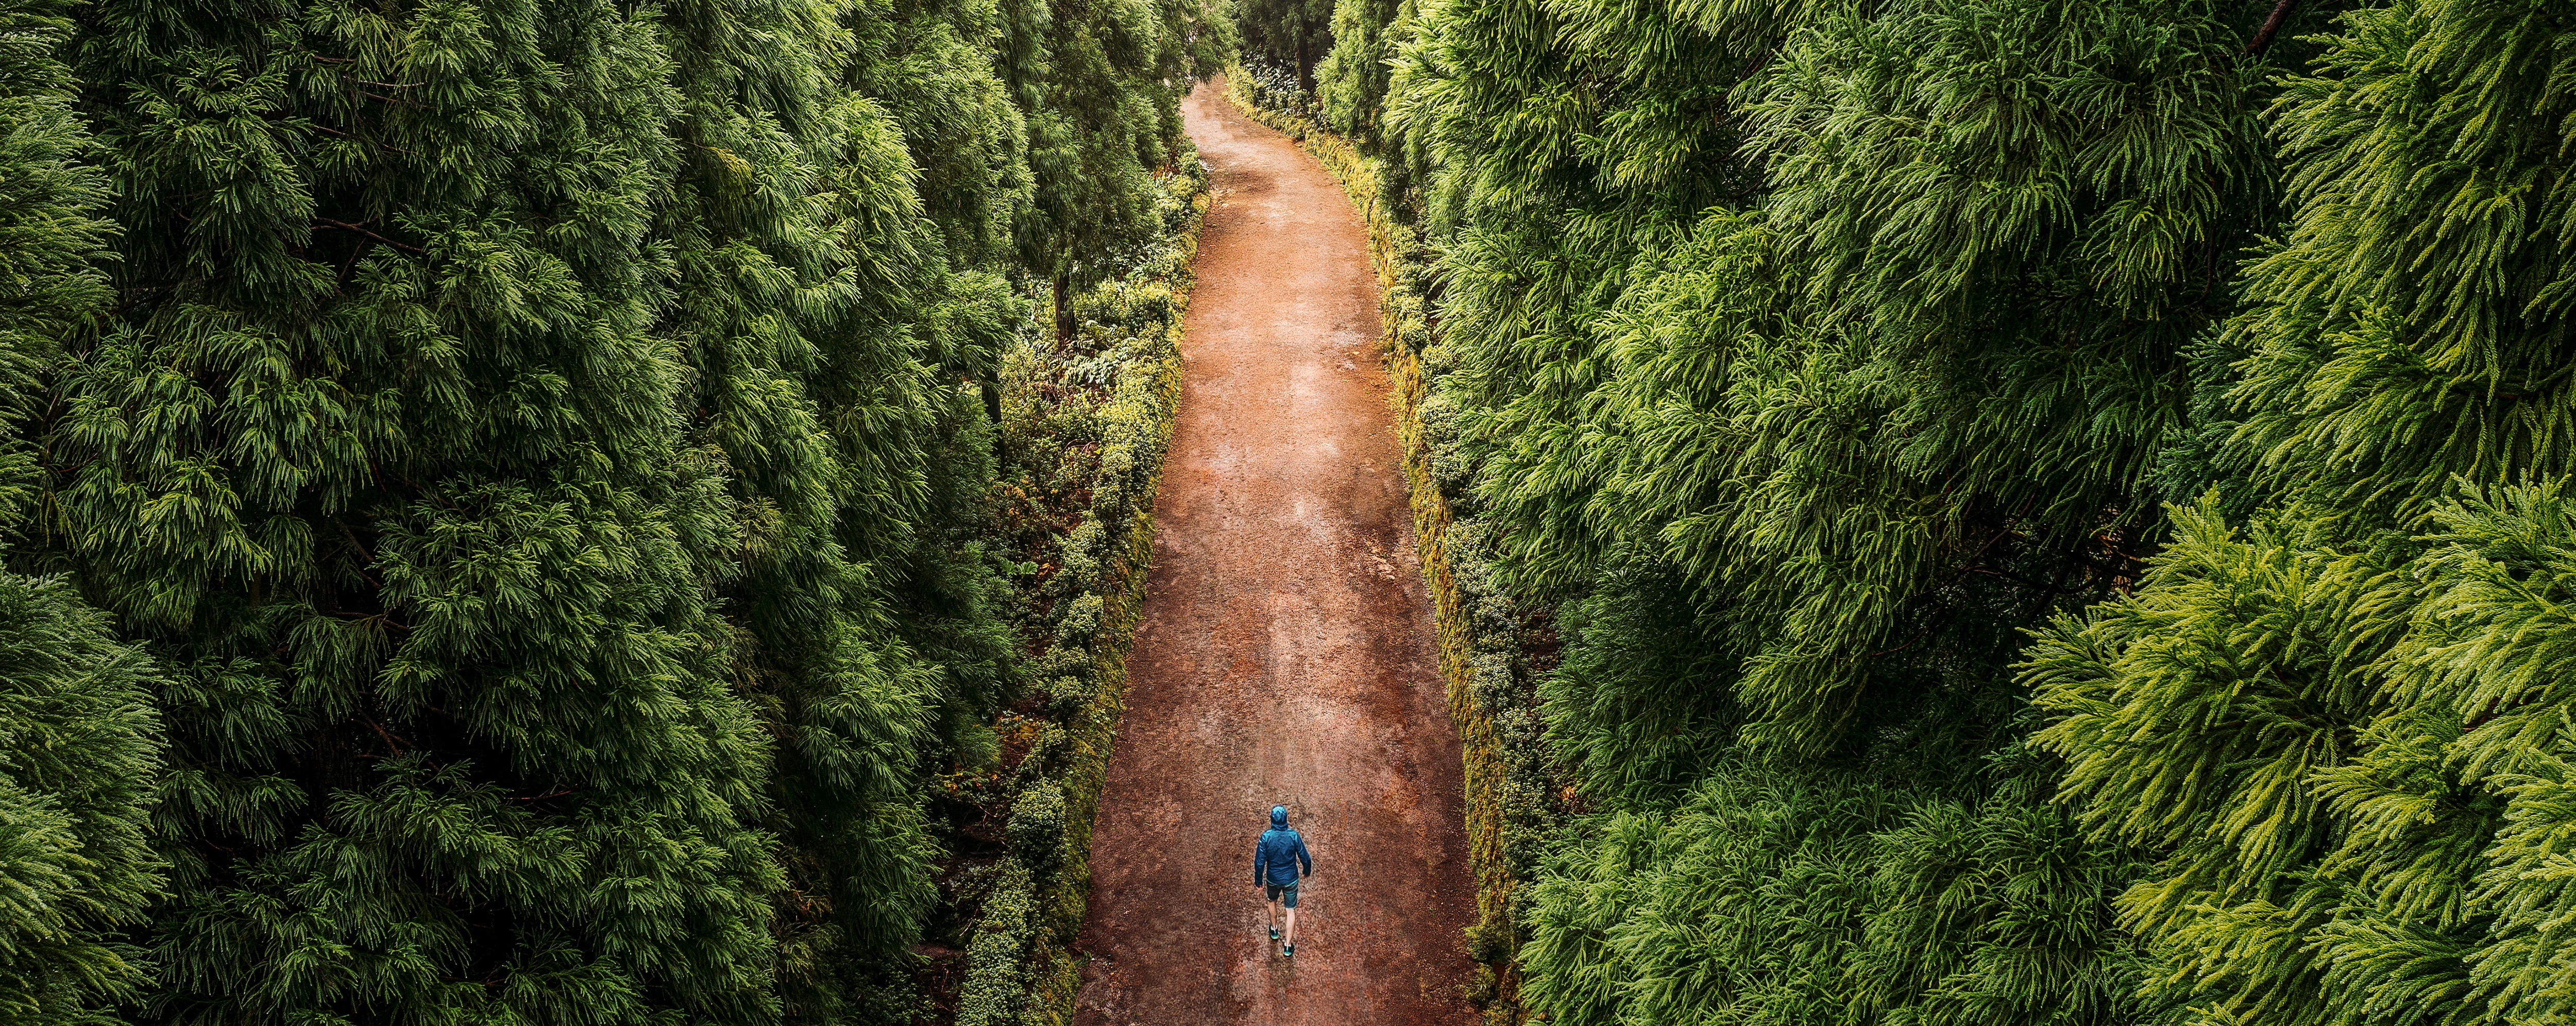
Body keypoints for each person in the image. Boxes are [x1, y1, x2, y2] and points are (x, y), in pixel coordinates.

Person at [1252, 805, 1312, 956]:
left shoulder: (1266, 837)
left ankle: (1274, 929)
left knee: (1271, 901)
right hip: (1291, 879)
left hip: (1273, 878)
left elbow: (1259, 863)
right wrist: (1307, 871)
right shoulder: (1293, 836)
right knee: (1290, 910)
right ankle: (1287, 946)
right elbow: (1305, 857)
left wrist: (1258, 881)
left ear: (1272, 819)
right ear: (1286, 819)